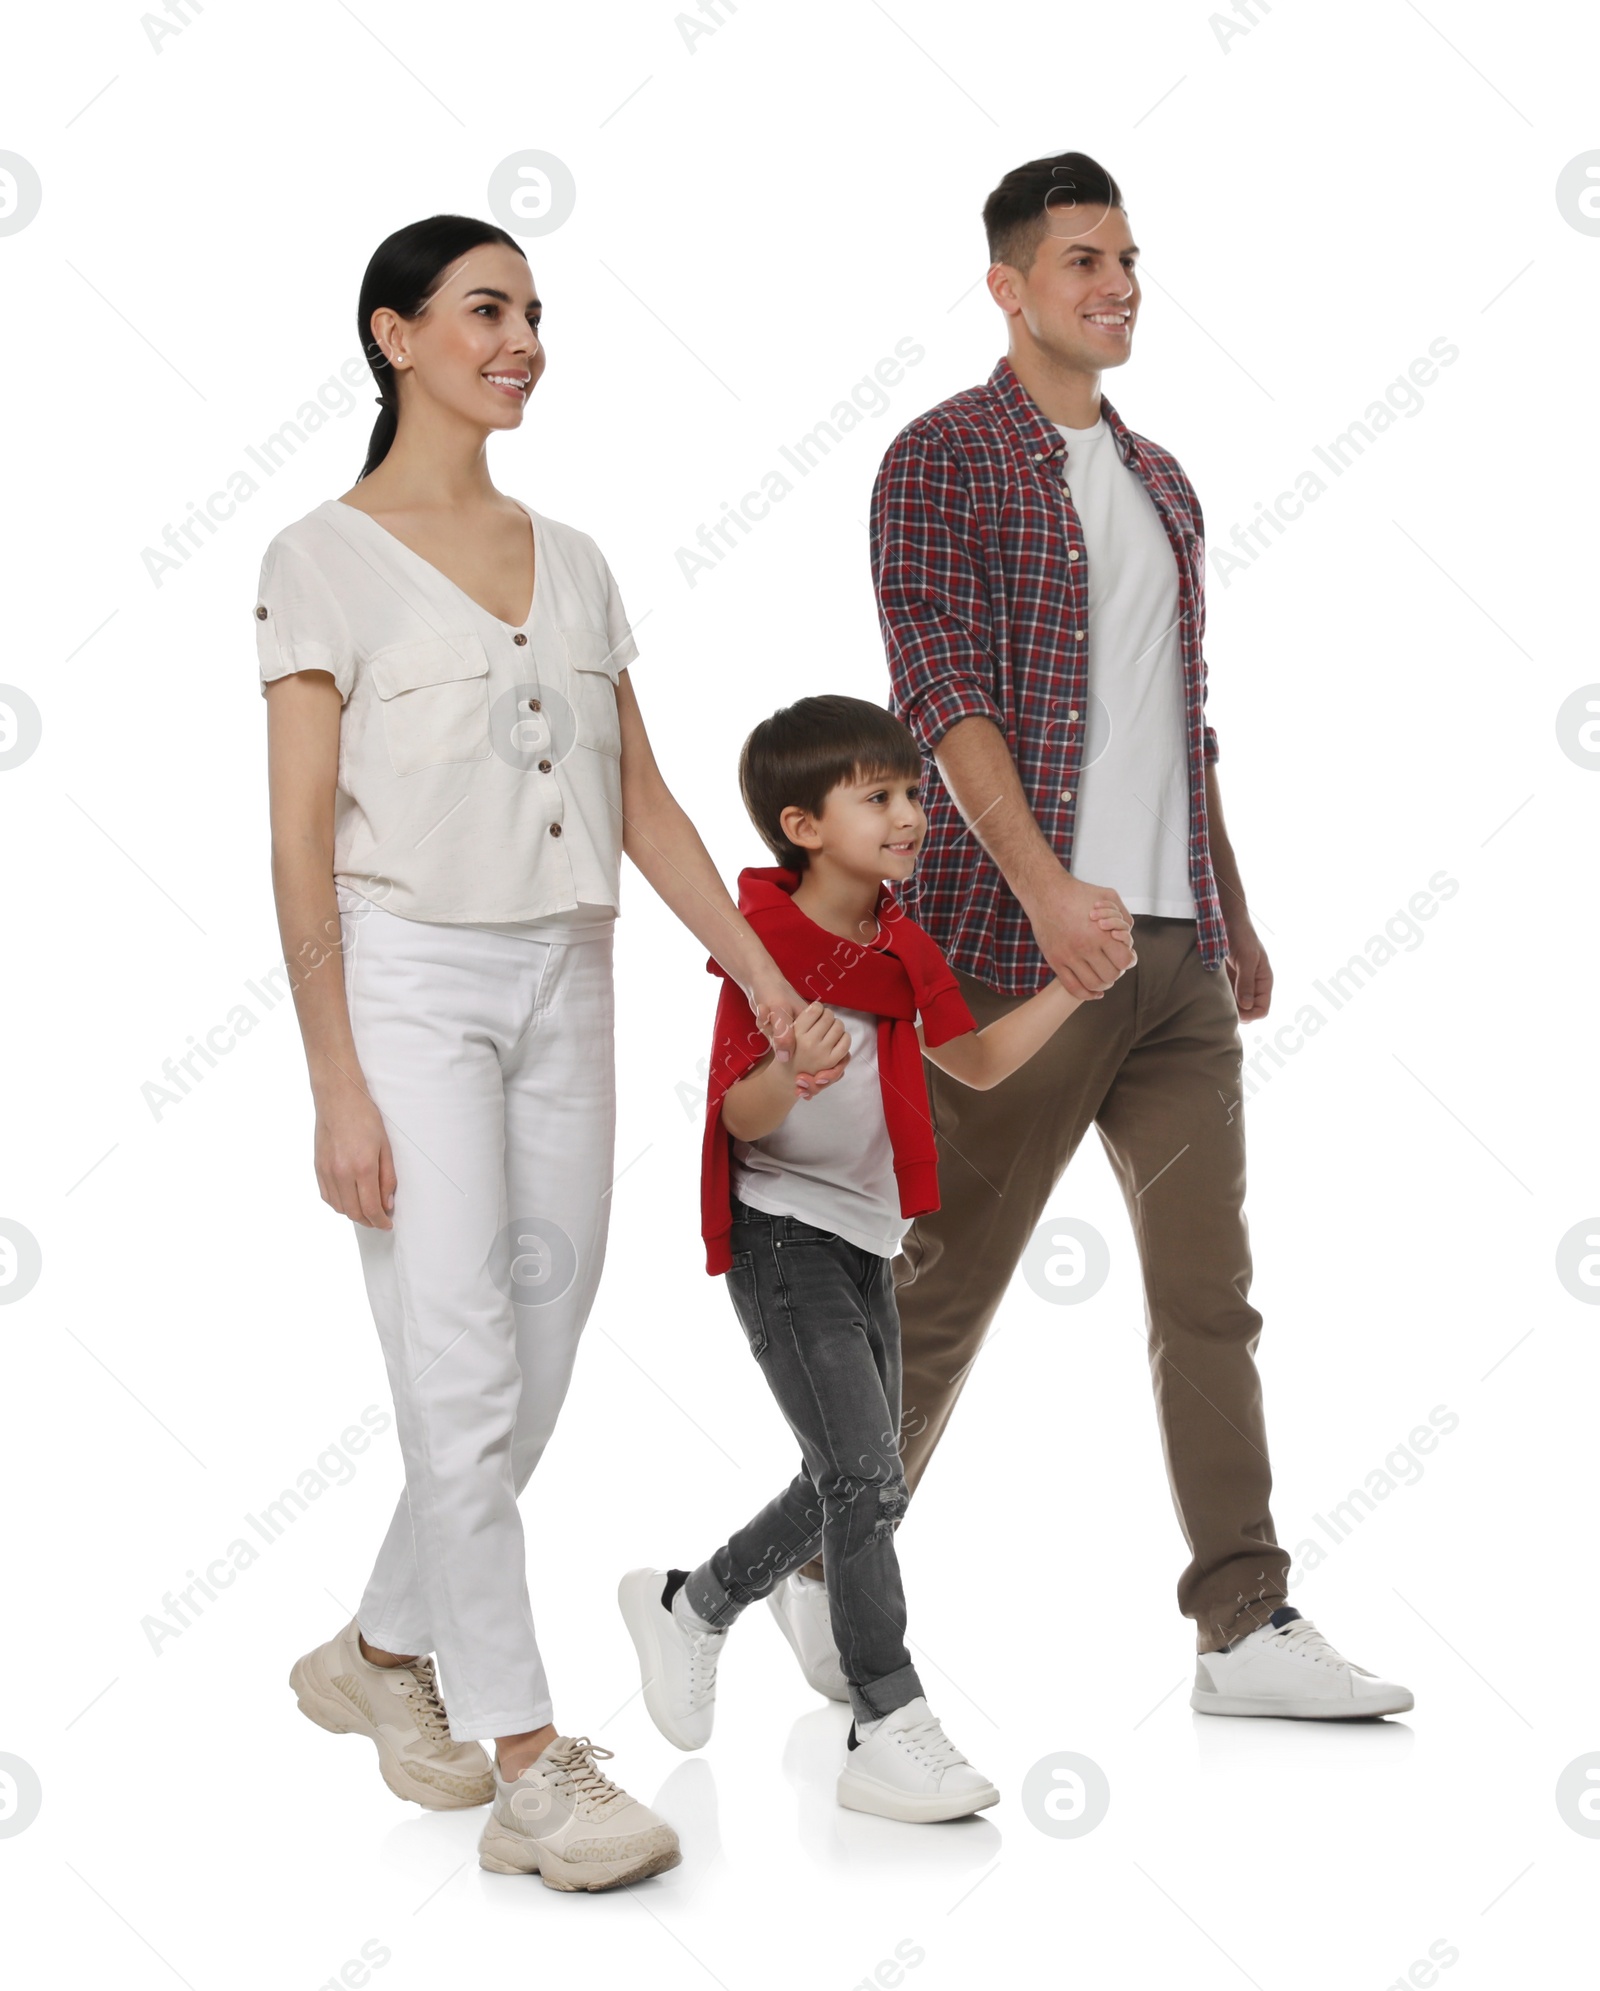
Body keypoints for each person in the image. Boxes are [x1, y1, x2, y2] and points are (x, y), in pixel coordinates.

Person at [782, 152, 1414, 1720]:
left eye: (1128, 256)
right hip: (1015, 948)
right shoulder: (941, 459)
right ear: (1007, 284)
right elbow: (942, 696)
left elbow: (1181, 725)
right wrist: (1049, 885)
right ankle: (810, 1564)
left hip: (1173, 954)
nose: (1118, 284)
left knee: (1212, 1290)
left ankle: (1244, 1621)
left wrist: (1235, 913)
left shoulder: (1164, 480)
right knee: (938, 1287)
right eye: (1082, 261)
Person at [260, 214, 841, 1892]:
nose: (521, 338)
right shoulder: (320, 557)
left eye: (533, 313)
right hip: (409, 979)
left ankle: (376, 1649)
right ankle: (529, 1761)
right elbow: (300, 839)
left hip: (568, 977)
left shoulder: (571, 556)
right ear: (395, 337)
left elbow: (640, 803)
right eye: (485, 310)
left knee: (538, 1351)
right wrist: (335, 1085)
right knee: (456, 1368)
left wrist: (764, 968)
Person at [616, 697, 1133, 1820]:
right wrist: (789, 1069)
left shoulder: (903, 943)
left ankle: (693, 1603)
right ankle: (886, 1718)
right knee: (865, 1478)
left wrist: (1070, 988)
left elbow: (979, 1061)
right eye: (881, 796)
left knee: (855, 1477)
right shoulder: (763, 940)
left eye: (913, 792)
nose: (911, 813)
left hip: (867, 1240)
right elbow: (740, 1115)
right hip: (781, 1236)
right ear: (802, 824)